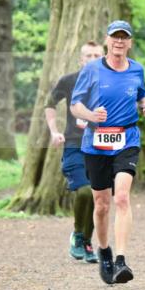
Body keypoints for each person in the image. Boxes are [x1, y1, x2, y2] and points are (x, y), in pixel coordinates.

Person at [70, 20, 145, 285]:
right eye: (115, 37)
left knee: (121, 198)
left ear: (130, 42)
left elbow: (141, 94)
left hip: (127, 138)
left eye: (124, 38)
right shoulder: (92, 70)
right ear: (107, 40)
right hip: (96, 142)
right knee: (101, 204)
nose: (119, 42)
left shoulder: (136, 70)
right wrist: (91, 115)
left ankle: (120, 260)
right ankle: (104, 250)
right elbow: (75, 105)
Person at [45, 41, 103, 263]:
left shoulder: (109, 82)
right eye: (88, 55)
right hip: (74, 144)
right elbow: (50, 103)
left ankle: (87, 243)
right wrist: (54, 131)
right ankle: (78, 235)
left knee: (97, 197)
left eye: (96, 55)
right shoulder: (69, 80)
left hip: (101, 146)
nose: (92, 59)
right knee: (85, 192)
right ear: (81, 59)